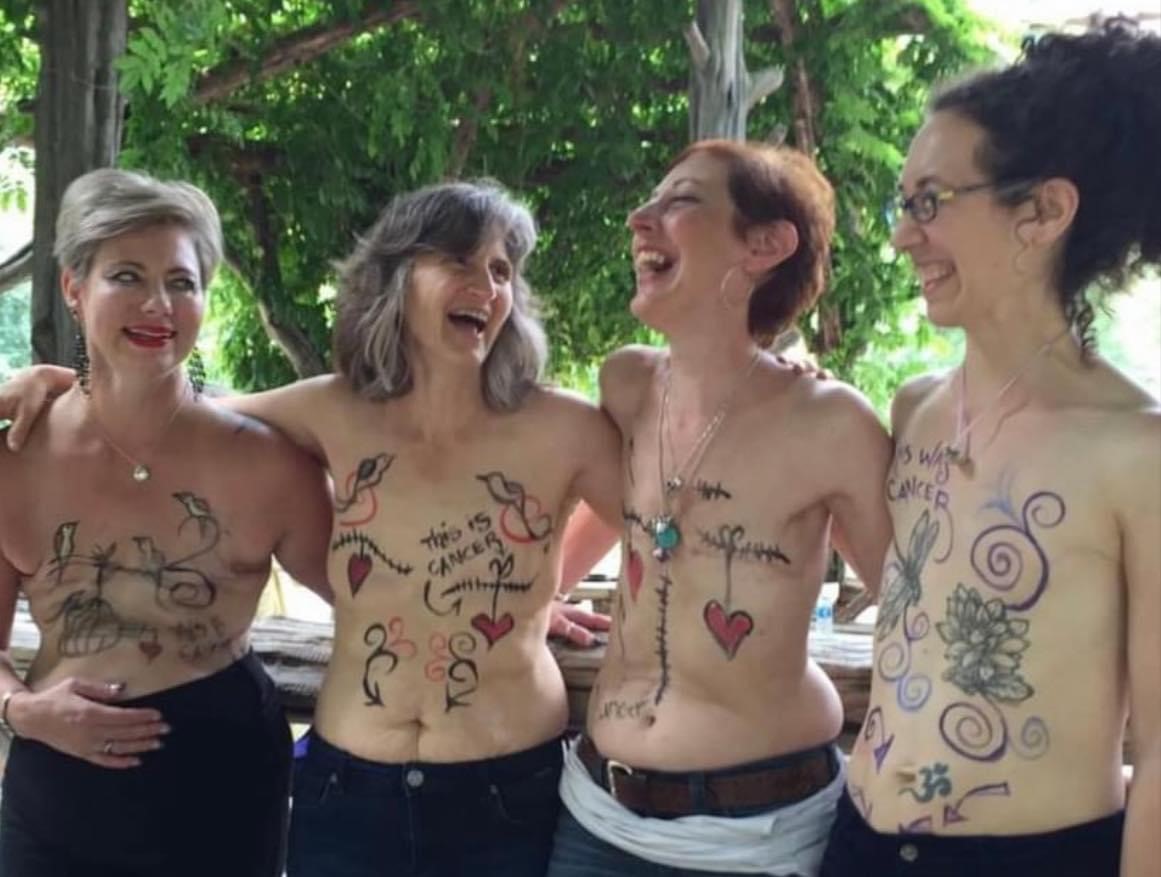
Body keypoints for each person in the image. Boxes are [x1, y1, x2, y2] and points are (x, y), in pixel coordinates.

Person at [0, 179, 623, 875]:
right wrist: (55, 380)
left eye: (503, 269)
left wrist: (524, 590)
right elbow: (156, 403)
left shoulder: (563, 426)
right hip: (310, 790)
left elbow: (648, 514)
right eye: (458, 260)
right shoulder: (325, 411)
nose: (158, 303)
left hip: (437, 786)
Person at [822, 23, 1161, 877]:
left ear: (1042, 211)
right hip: (857, 841)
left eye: (930, 201)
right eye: (903, 204)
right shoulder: (915, 409)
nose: (901, 237)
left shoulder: (1137, 451)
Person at [546, 140, 894, 877]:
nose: (639, 219)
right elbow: (627, 511)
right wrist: (531, 600)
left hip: (758, 835)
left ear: (764, 246)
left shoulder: (830, 422)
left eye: (680, 201)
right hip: (595, 815)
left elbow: (911, 610)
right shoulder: (626, 384)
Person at [0, 168, 333, 877]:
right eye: (127, 275)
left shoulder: (267, 462)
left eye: (182, 282)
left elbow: (373, 593)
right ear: (73, 286)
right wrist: (20, 711)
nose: (158, 304)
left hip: (223, 779)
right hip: (59, 787)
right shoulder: (13, 457)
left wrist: (522, 605)